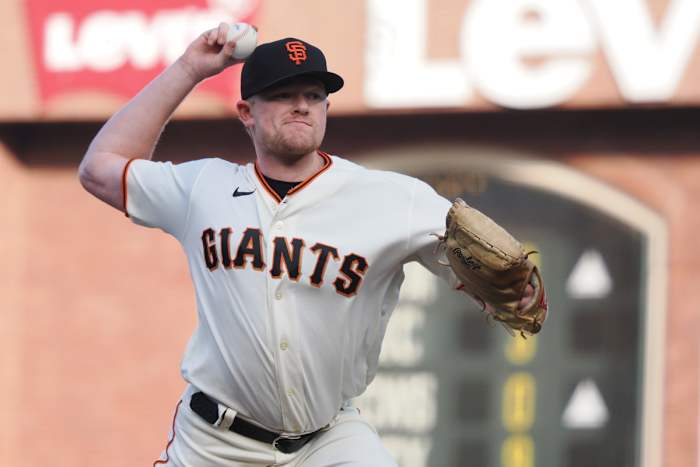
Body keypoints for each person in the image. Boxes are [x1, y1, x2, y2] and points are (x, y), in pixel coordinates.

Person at [79, 23, 536, 467]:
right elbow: (99, 167)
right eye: (282, 94)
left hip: (330, 440)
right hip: (215, 445)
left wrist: (521, 291)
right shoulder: (203, 187)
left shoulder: (394, 198)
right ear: (246, 112)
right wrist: (188, 70)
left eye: (313, 96)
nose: (301, 106)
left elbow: (502, 277)